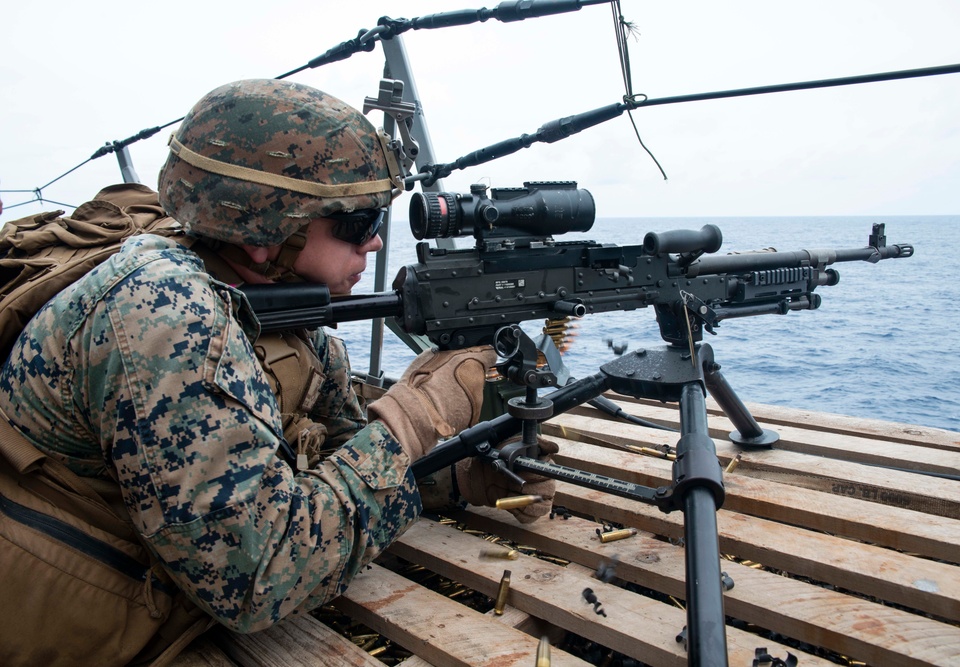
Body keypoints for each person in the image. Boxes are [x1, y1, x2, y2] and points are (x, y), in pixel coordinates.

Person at [0, 79, 555, 660]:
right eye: (357, 222)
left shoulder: (272, 302)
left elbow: (345, 457)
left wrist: (456, 468)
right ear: (269, 228)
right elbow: (256, 580)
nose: (373, 244)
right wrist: (417, 417)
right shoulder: (164, 317)